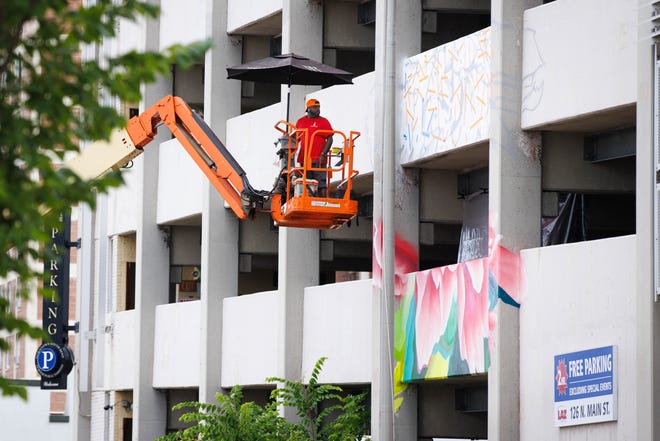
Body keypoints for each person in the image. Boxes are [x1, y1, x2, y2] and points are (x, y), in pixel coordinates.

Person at [295, 98, 333, 196]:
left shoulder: (324, 121)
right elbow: (295, 140)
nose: (318, 109)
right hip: (304, 160)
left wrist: (323, 154)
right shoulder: (300, 121)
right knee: (305, 185)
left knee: (321, 185)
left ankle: (323, 205)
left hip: (318, 159)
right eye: (315, 107)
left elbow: (330, 139)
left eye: (319, 107)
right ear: (308, 108)